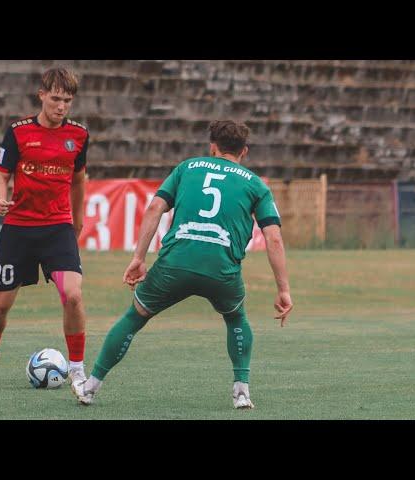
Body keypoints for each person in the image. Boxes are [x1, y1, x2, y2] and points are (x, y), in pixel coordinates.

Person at [72, 120, 293, 409]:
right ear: (245, 151)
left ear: (212, 147)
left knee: (135, 316)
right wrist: (283, 289)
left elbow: (154, 208)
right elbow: (273, 238)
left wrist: (139, 258)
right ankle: (241, 391)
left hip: (174, 264)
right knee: (236, 318)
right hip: (222, 270)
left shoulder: (187, 168)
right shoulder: (255, 184)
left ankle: (91, 386)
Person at [0, 67, 90, 390]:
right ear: (42, 95)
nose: (61, 106)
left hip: (57, 228)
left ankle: (77, 368)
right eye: (56, 99)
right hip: (18, 228)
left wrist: (78, 220)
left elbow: (78, 180)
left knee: (73, 296)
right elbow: (0, 175)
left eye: (67, 100)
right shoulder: (18, 132)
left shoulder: (78, 136)